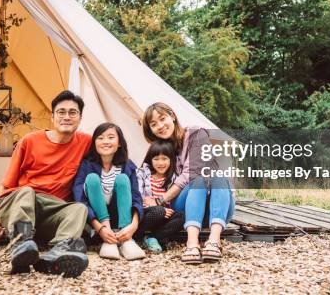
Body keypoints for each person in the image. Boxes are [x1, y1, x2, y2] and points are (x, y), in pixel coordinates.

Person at [0, 90, 91, 278]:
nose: (66, 117)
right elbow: (7, 185)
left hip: (51, 210)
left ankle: (58, 252)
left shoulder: (86, 142)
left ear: (80, 119)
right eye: (61, 112)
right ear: (52, 117)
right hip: (20, 203)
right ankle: (20, 242)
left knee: (79, 209)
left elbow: (114, 148)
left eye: (72, 113)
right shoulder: (30, 140)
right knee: (26, 192)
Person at [142, 102, 234, 264]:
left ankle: (214, 240)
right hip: (186, 209)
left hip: (217, 209)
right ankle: (192, 244)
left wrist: (160, 200)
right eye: (154, 124)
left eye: (162, 119)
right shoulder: (163, 149)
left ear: (172, 115)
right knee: (197, 182)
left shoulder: (196, 133)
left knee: (218, 175)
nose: (160, 126)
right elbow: (146, 172)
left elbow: (190, 172)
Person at [72, 122, 145, 261]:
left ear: (119, 143)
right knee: (92, 179)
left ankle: (125, 240)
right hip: (97, 221)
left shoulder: (127, 166)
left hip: (122, 219)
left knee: (123, 179)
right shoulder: (86, 165)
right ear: (94, 143)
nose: (105, 141)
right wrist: (100, 229)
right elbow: (79, 198)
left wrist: (133, 226)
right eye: (100, 138)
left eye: (111, 137)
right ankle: (108, 239)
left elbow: (136, 197)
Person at [135, 140, 185, 252]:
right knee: (158, 211)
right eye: (156, 159)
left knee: (183, 216)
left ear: (171, 160)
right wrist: (157, 207)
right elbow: (138, 197)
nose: (160, 163)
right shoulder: (142, 174)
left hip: (165, 216)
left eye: (164, 159)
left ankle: (152, 238)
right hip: (148, 214)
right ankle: (135, 236)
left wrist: (164, 209)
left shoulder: (175, 178)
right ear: (150, 160)